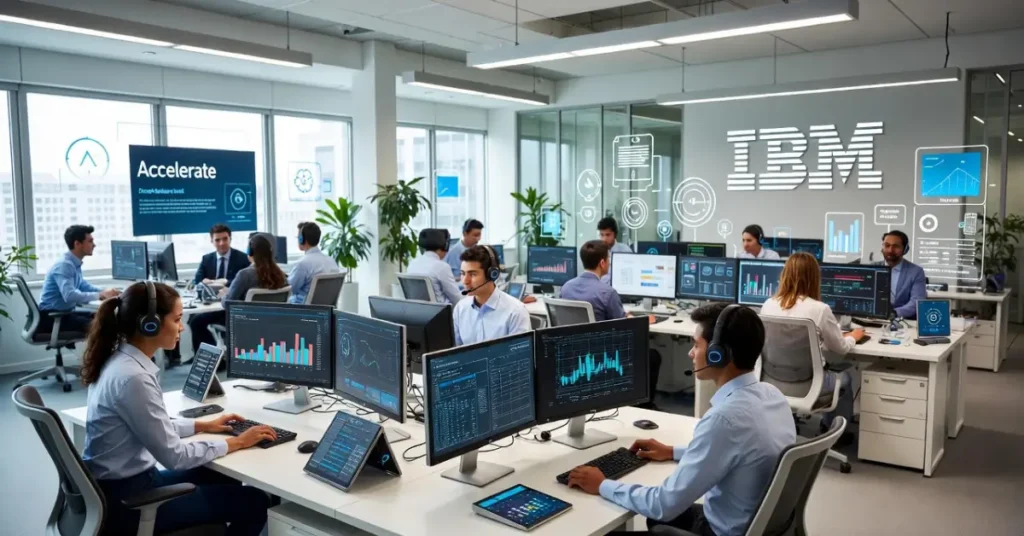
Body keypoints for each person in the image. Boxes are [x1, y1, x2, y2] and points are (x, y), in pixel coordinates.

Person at [567, 303, 796, 536]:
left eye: (696, 345)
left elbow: (663, 505)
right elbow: (733, 452)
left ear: (718, 354)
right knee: (655, 519)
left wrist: (602, 484)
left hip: (721, 530)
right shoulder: (773, 397)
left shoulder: (724, 420)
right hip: (754, 524)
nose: (690, 353)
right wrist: (672, 451)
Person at [81, 281, 275, 535]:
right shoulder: (133, 378)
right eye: (177, 319)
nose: (182, 327)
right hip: (131, 502)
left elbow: (151, 427)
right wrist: (237, 442)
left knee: (220, 477)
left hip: (117, 488)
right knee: (255, 500)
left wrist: (202, 425)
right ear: (149, 324)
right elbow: (174, 456)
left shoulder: (119, 362)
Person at [760, 252, 863, 434]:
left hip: (771, 382)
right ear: (814, 278)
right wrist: (854, 336)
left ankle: (786, 425)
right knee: (845, 377)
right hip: (809, 385)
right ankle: (834, 432)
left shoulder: (768, 304)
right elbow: (841, 348)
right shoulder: (820, 309)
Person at [560, 240, 663, 409]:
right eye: (608, 259)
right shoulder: (607, 292)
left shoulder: (566, 287)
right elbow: (623, 327)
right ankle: (644, 405)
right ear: (602, 262)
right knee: (652, 355)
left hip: (574, 354)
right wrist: (640, 319)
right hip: (602, 357)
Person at [188, 234, 288, 353]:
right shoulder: (281, 275)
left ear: (249, 252)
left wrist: (225, 294)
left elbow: (227, 304)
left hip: (242, 321)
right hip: (270, 322)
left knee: (196, 321)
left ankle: (215, 360)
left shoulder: (245, 275)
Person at [38, 225, 120, 335]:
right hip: (52, 318)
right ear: (77, 244)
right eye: (90, 241)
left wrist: (106, 292)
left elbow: (82, 285)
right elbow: (70, 295)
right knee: (103, 327)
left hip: (64, 314)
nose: (94, 245)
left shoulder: (73, 263)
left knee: (107, 318)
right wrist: (100, 295)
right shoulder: (64, 265)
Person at [454, 245, 531, 346]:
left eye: (472, 274)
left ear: (492, 274)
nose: (465, 281)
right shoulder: (460, 309)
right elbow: (456, 352)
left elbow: (520, 357)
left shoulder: (516, 312)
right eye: (463, 273)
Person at [287, 222, 340, 304]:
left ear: (302, 239)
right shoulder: (331, 261)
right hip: (325, 312)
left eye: (298, 237)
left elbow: (290, 289)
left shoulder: (302, 264)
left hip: (303, 311)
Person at [407, 228, 463, 305]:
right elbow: (457, 299)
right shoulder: (442, 267)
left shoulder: (412, 263)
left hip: (419, 312)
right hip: (441, 312)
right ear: (445, 246)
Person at [882, 230, 926, 319]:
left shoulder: (916, 272)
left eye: (896, 246)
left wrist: (894, 313)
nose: (890, 250)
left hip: (903, 322)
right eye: (887, 246)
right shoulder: (872, 268)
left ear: (905, 249)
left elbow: (916, 302)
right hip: (872, 321)